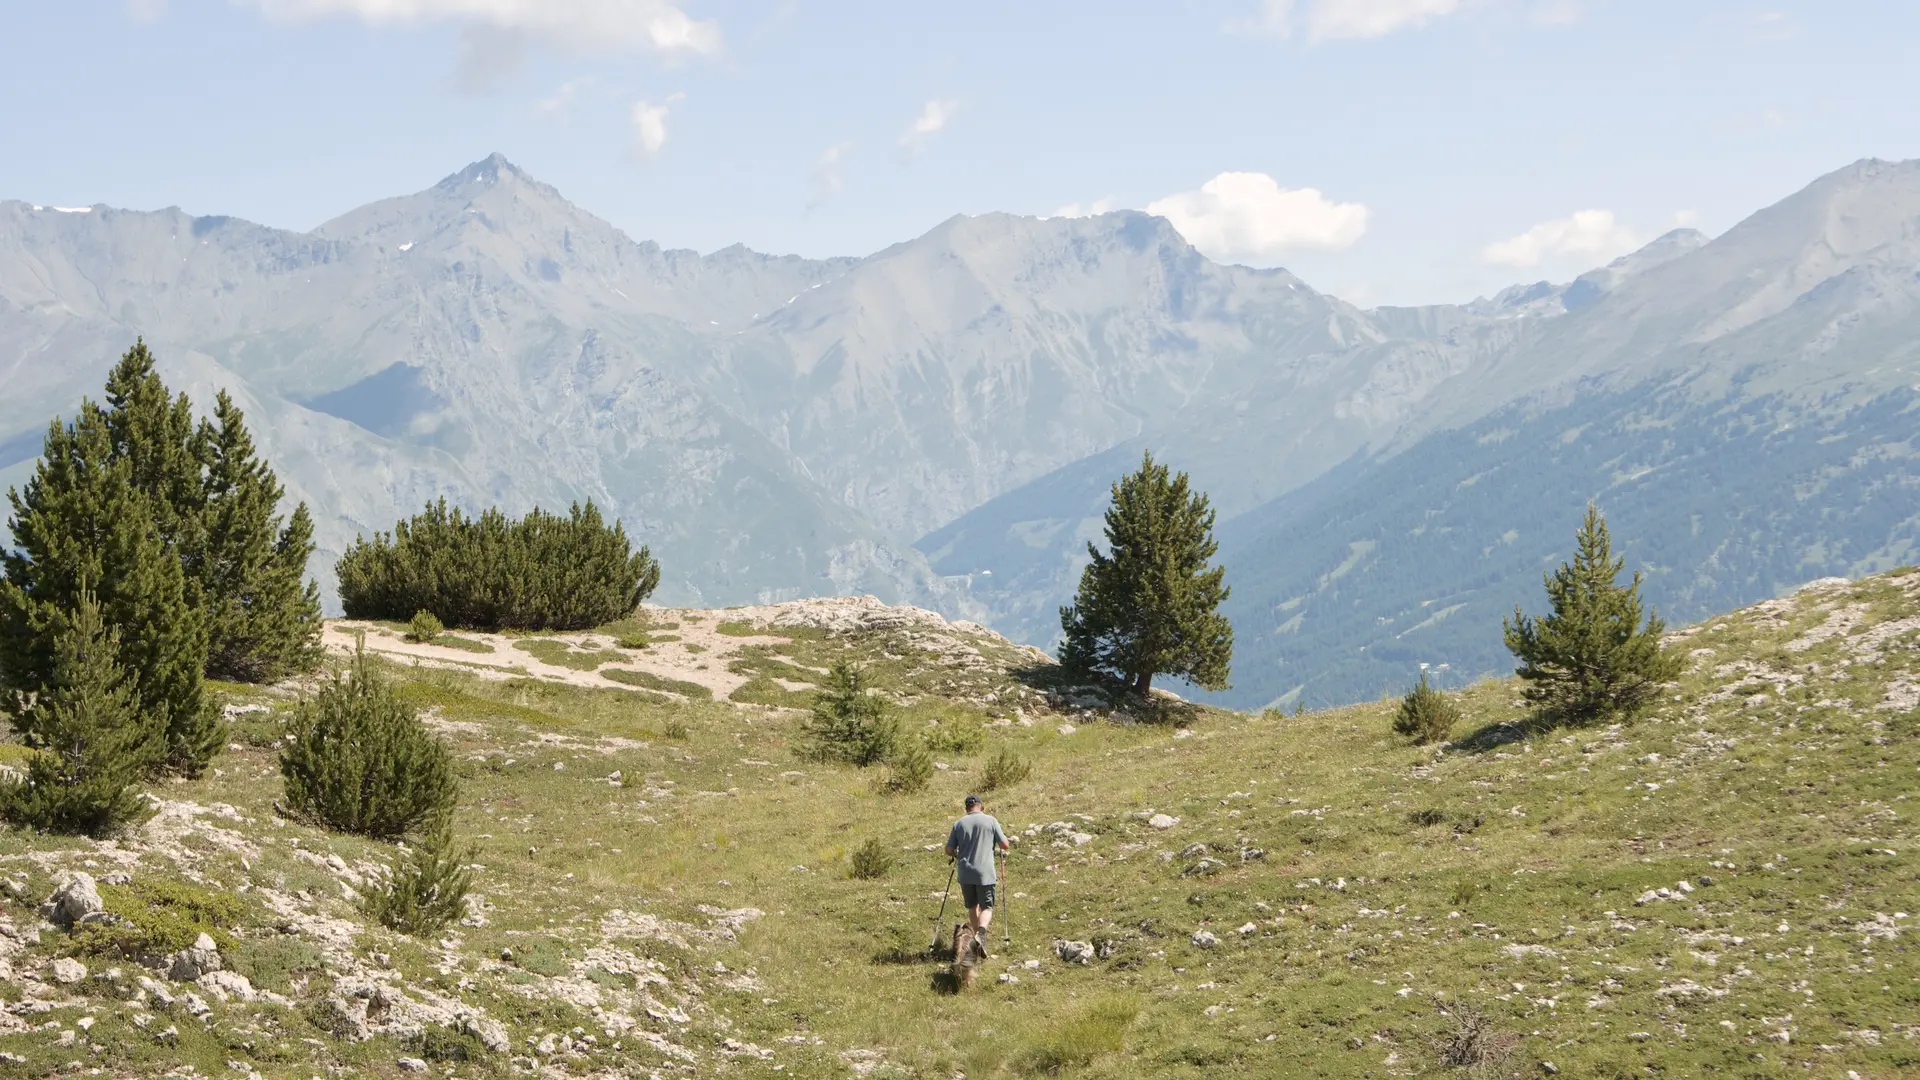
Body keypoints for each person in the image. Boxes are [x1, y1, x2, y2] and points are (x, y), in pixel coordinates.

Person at [945, 794, 1010, 941]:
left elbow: (949, 849)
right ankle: (981, 934)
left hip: (965, 873)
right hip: (984, 873)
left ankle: (976, 939)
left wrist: (956, 854)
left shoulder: (959, 824)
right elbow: (1004, 845)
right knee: (987, 907)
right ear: (981, 806)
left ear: (967, 808)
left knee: (972, 906)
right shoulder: (991, 821)